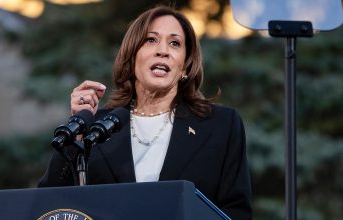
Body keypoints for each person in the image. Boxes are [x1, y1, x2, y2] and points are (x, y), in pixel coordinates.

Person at [38, 5, 252, 219]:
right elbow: (50, 205)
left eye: (175, 43)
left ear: (185, 67)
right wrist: (77, 132)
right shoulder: (98, 128)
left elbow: (235, 211)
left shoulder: (220, 125)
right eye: (151, 40)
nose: (163, 50)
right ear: (132, 57)